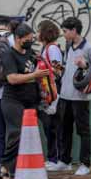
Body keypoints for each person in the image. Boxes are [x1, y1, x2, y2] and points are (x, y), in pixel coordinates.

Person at [0, 23, 49, 179]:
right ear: (18, 38)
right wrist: (34, 75)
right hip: (12, 100)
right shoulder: (9, 54)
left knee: (30, 134)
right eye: (27, 39)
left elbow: (40, 67)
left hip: (31, 101)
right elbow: (12, 78)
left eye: (31, 39)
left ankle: (16, 167)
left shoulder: (30, 53)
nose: (30, 42)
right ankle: (6, 165)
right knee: (16, 132)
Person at [58, 16, 91, 176]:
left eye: (65, 31)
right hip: (65, 95)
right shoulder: (68, 44)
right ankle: (65, 161)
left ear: (74, 30)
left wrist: (86, 65)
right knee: (64, 128)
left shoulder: (89, 47)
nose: (63, 34)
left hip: (80, 97)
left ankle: (85, 163)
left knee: (83, 130)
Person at [36, 20, 65, 171]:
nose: (36, 34)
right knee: (49, 126)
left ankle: (56, 159)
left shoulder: (52, 49)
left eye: (39, 30)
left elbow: (58, 71)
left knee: (53, 126)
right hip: (47, 91)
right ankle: (53, 157)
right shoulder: (46, 48)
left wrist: (44, 66)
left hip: (52, 92)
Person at [0, 15, 13, 179]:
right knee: (11, 131)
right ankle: (9, 167)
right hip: (9, 93)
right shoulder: (12, 40)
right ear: (8, 26)